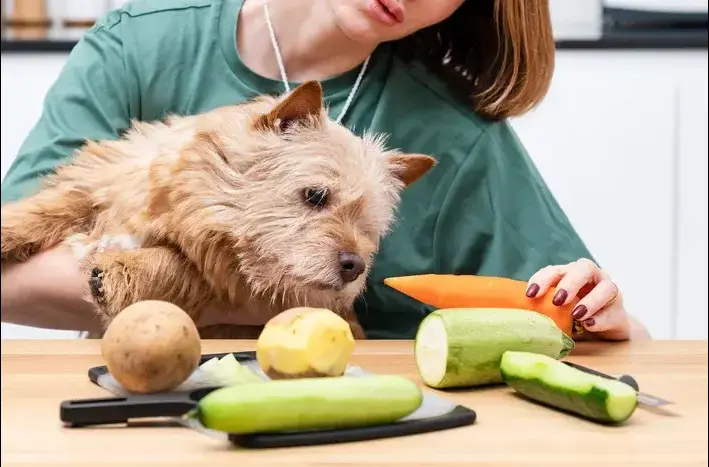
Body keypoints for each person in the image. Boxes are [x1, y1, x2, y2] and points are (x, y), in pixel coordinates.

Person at [0, 0, 650, 341]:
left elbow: (613, 339)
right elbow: (11, 273)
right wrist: (221, 295)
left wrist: (601, 315)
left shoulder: (453, 135)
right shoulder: (140, 46)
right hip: (134, 410)